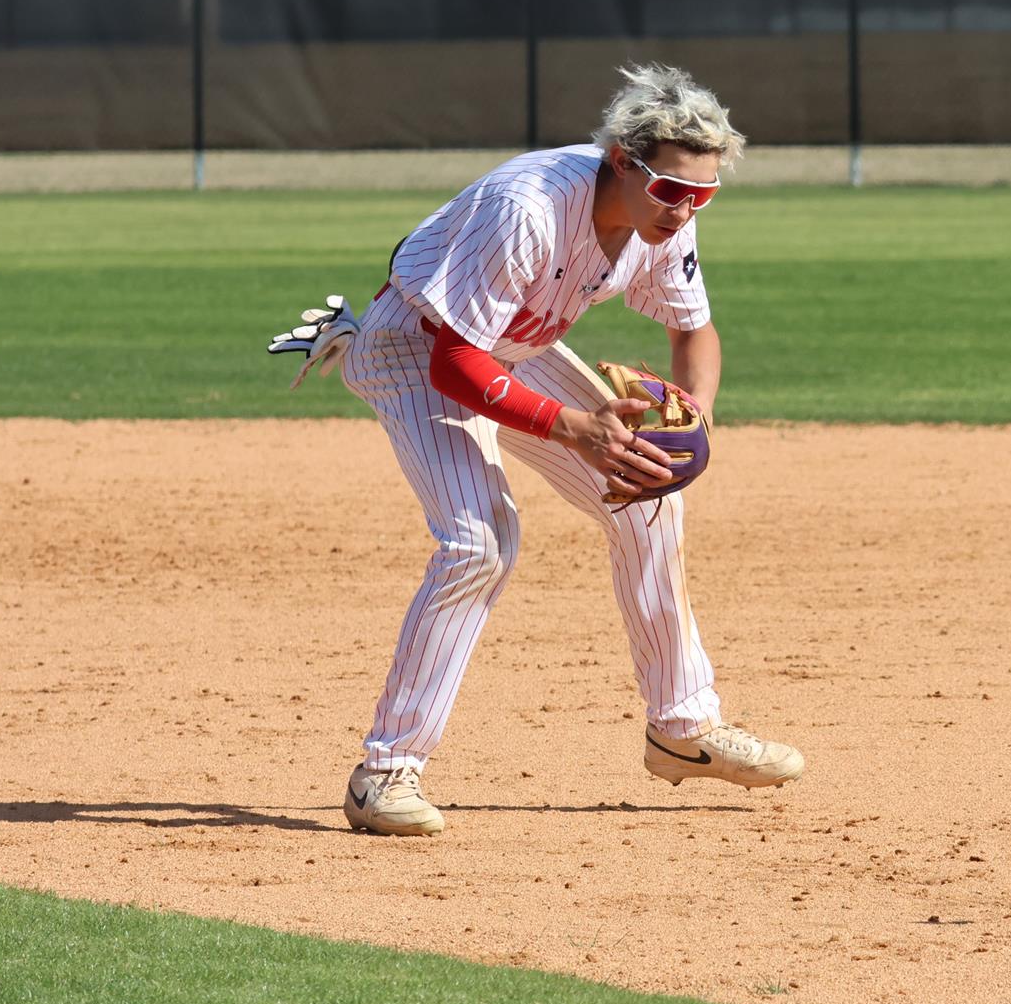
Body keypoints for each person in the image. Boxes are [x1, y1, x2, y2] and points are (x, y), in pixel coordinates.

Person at [325, 64, 803, 836]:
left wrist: (692, 414)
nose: (685, 211)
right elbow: (455, 362)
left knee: (649, 496)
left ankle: (681, 729)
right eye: (672, 192)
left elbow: (692, 330)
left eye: (702, 196)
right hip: (414, 347)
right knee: (480, 543)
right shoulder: (528, 210)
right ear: (620, 158)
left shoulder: (661, 216)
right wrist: (574, 427)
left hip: (511, 348)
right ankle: (384, 773)